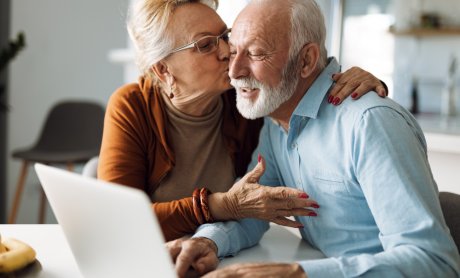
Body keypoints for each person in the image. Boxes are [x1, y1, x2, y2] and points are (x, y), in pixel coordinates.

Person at [171, 0, 460, 277]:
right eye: (233, 52)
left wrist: (297, 274)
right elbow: (254, 208)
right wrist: (209, 241)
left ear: (306, 60)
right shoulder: (276, 120)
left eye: (256, 53)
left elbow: (433, 262)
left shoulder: (369, 123)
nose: (234, 72)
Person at [98, 0, 387, 242]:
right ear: (163, 70)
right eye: (205, 45)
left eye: (224, 36)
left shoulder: (246, 99)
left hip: (221, 253)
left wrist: (348, 81)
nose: (226, 52)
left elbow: (301, 86)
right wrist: (220, 206)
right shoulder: (132, 106)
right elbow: (118, 223)